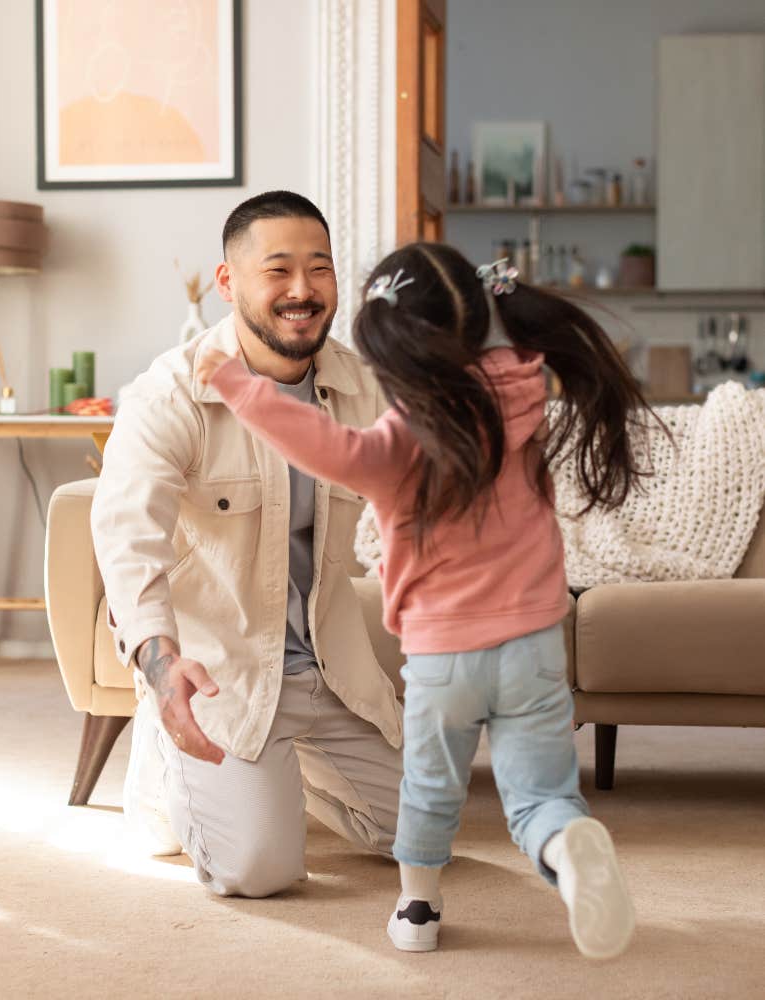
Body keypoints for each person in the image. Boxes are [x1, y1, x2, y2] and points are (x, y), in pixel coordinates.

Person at [197, 243, 657, 958]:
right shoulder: (524, 394)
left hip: (446, 656)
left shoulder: (400, 439)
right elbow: (491, 343)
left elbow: (323, 445)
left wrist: (236, 383)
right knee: (541, 795)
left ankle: (418, 909)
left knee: (431, 789)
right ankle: (567, 850)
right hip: (536, 643)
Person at [91, 191, 404, 898]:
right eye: (279, 270)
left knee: (429, 833)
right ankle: (168, 761)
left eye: (319, 268)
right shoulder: (170, 393)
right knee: (259, 870)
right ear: (228, 283)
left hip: (333, 670)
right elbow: (127, 539)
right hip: (223, 676)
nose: (302, 290)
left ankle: (277, 775)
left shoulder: (364, 388)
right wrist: (162, 667)